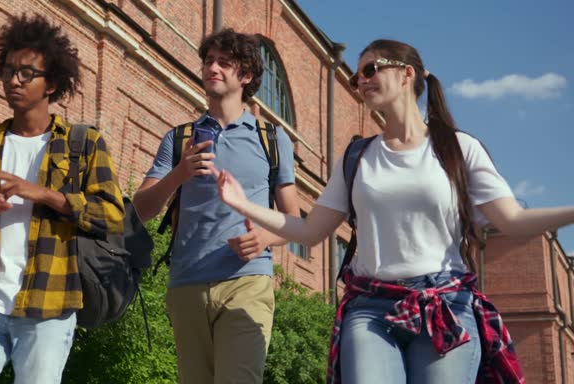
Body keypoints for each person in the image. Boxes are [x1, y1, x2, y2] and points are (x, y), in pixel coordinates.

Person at [211, 39, 572, 383]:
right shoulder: (357, 157)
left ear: (407, 74)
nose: (361, 82)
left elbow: (511, 220)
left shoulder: (459, 148)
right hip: (370, 308)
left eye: (370, 70)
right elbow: (310, 231)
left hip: (444, 304)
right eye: (356, 77)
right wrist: (244, 204)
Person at [0, 14, 125, 384]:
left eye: (26, 73)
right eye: (8, 71)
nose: (14, 81)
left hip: (48, 304)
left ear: (51, 83)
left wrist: (42, 194)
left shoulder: (83, 144)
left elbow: (112, 215)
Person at [133, 28, 301, 384]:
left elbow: (293, 219)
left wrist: (266, 240)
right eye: (209, 61)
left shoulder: (271, 139)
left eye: (225, 63)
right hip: (187, 283)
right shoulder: (179, 138)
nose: (213, 68)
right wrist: (180, 173)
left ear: (246, 76)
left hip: (247, 280)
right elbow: (140, 210)